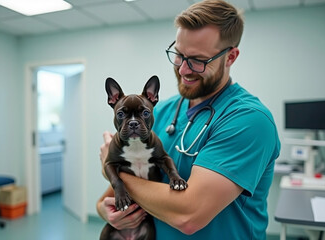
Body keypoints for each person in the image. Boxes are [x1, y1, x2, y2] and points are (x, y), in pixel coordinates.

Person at [97, 0, 281, 239]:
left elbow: (189, 216)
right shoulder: (159, 111)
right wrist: (104, 210)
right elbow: (109, 198)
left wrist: (111, 170)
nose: (183, 69)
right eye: (178, 54)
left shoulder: (249, 120)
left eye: (197, 60)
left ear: (231, 57)